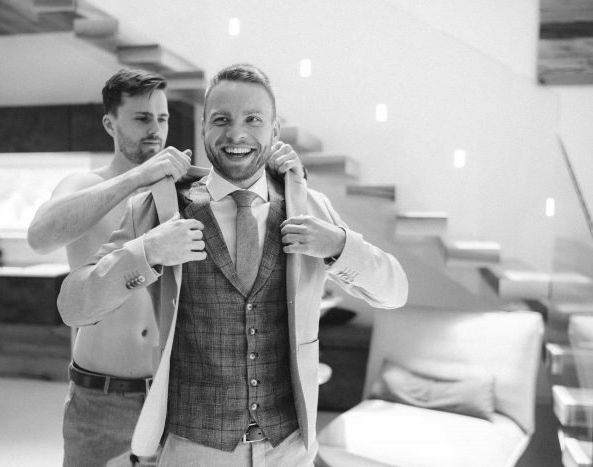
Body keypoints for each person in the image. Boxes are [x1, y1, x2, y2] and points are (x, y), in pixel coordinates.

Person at [57, 64, 409, 467]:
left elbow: (395, 291)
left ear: (274, 130)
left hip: (289, 449)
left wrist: (339, 246)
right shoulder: (157, 209)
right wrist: (146, 252)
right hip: (193, 451)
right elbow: (73, 306)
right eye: (221, 119)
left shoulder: (310, 207)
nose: (236, 134)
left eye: (252, 119)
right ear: (203, 128)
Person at [27, 68, 193, 466]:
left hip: (174, 398)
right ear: (110, 124)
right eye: (142, 118)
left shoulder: (181, 192)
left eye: (162, 118)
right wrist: (136, 177)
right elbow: (40, 237)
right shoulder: (85, 185)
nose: (155, 130)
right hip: (102, 398)